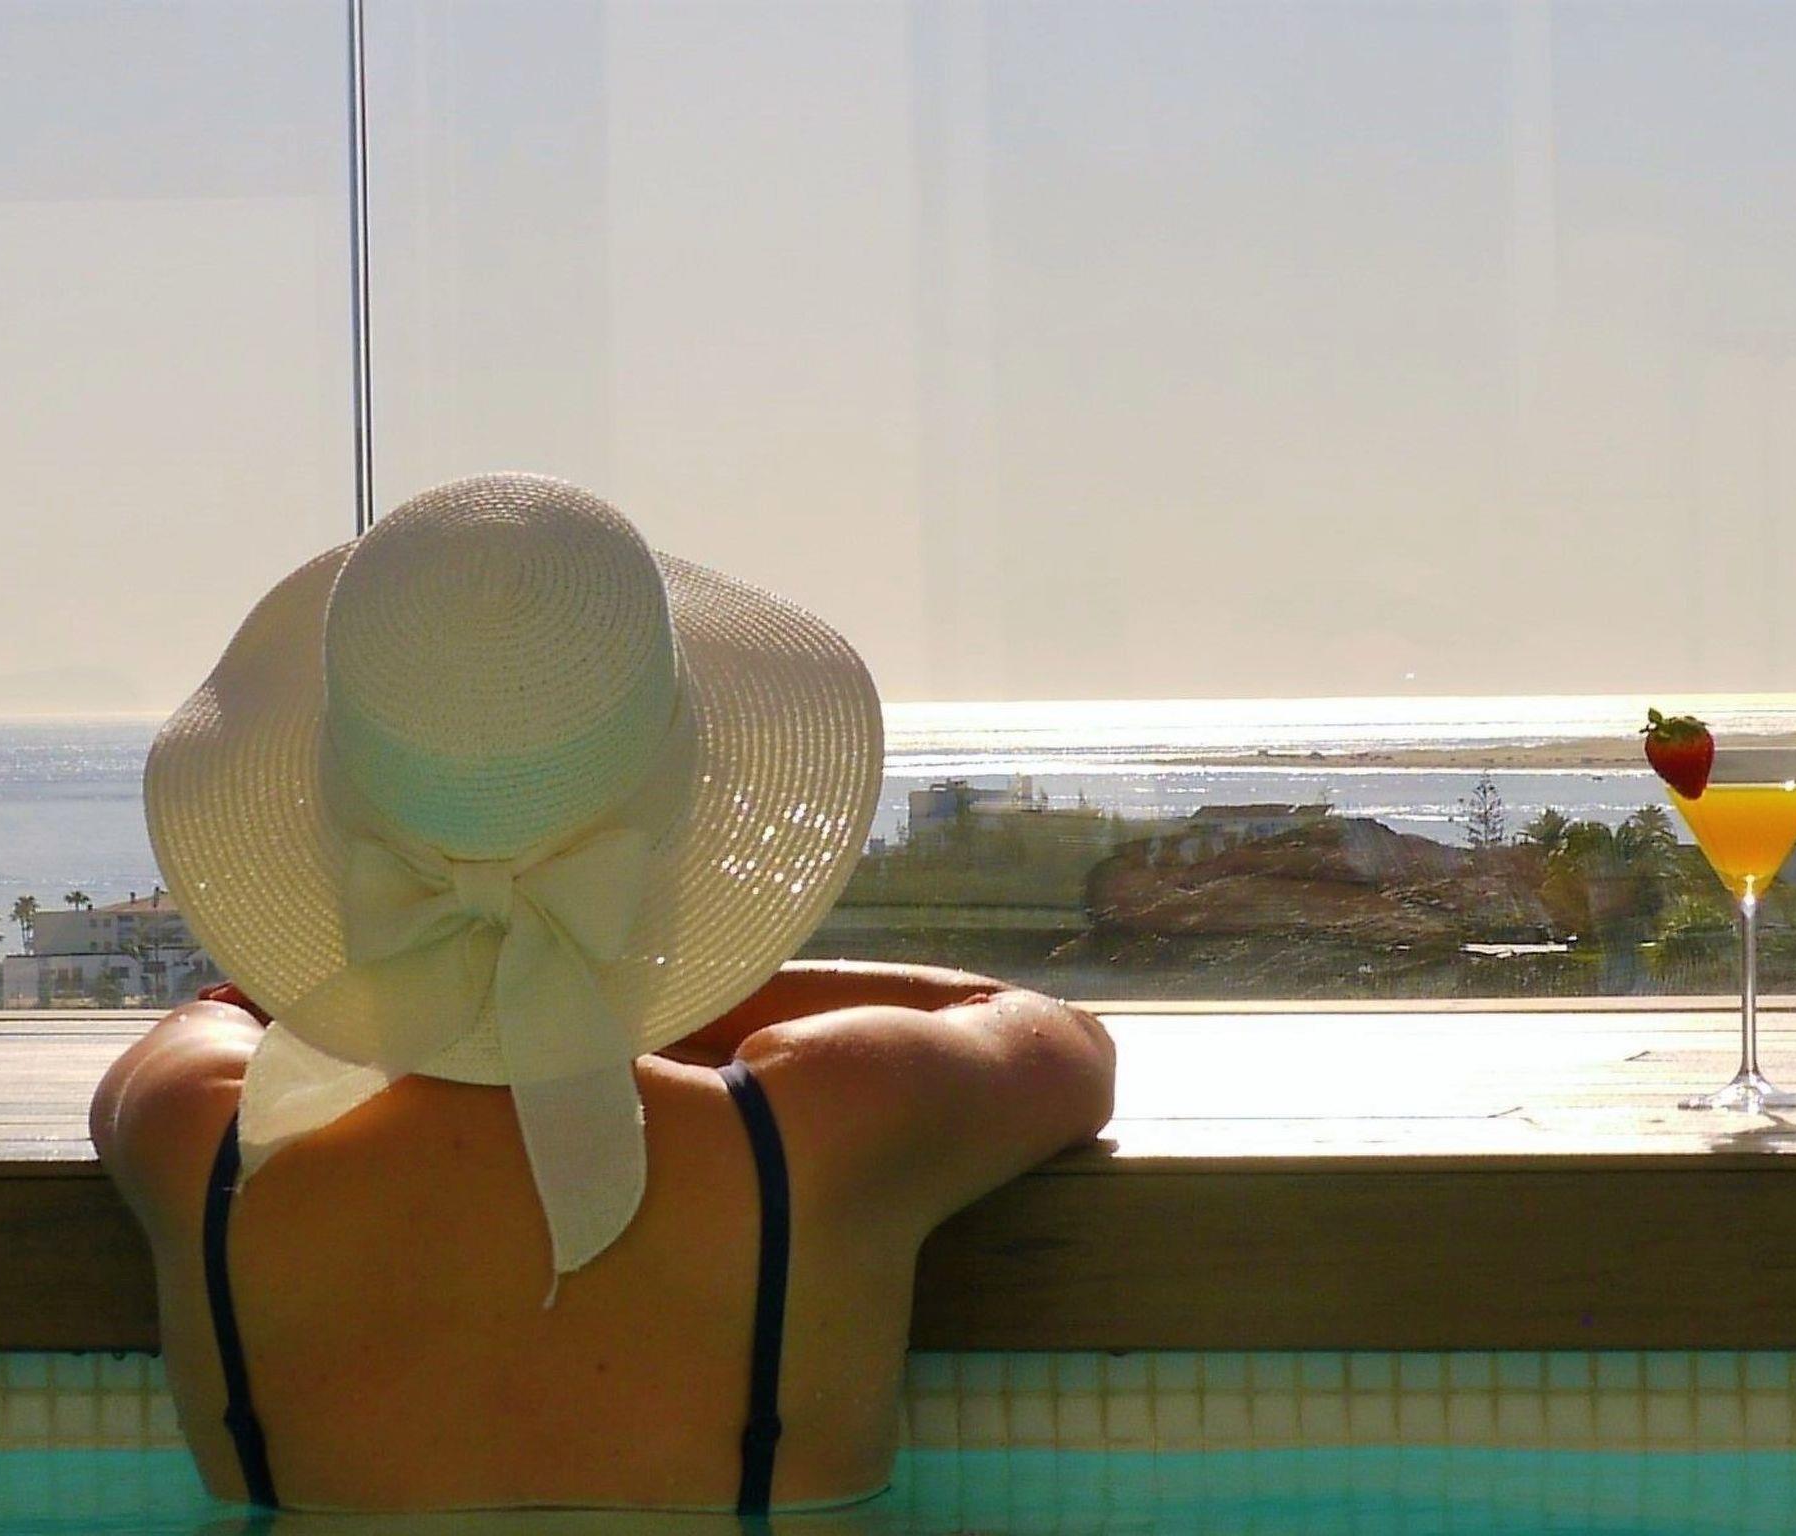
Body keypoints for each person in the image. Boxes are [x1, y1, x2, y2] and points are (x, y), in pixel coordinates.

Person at [91, 474, 1114, 1515]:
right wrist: (653, 995)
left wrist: (473, 985)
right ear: (685, 809)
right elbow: (1061, 1041)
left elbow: (235, 1007)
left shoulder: (192, 1131)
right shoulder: (825, 1125)